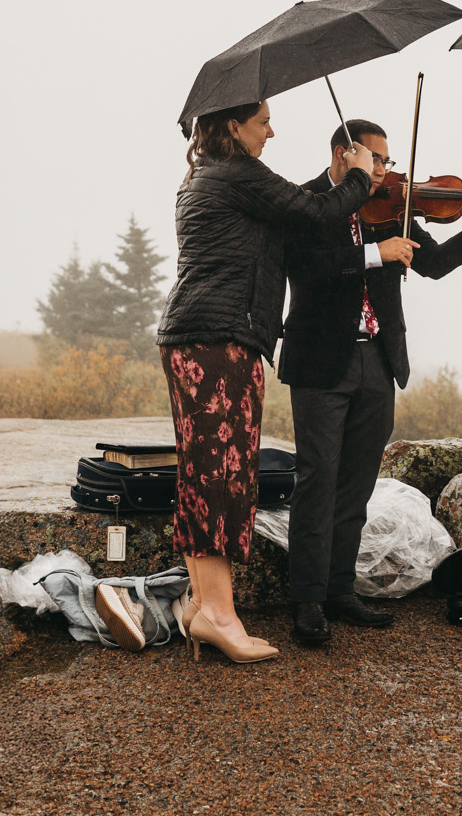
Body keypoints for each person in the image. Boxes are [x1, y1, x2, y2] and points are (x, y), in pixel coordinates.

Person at [155, 99, 376, 664]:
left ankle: (203, 607)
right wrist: (358, 174)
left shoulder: (210, 172)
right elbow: (317, 211)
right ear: (234, 124)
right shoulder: (236, 172)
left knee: (208, 471)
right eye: (263, 122)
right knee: (221, 475)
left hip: (206, 335)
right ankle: (220, 616)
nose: (272, 133)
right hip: (218, 339)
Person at [278, 119, 462, 646]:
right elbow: (303, 267)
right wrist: (373, 254)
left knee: (357, 484)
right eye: (375, 159)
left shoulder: (393, 206)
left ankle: (339, 589)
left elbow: (431, 264)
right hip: (320, 361)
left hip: (379, 360)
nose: (384, 171)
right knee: (317, 480)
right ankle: (307, 600)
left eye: (386, 161)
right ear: (344, 153)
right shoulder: (306, 200)